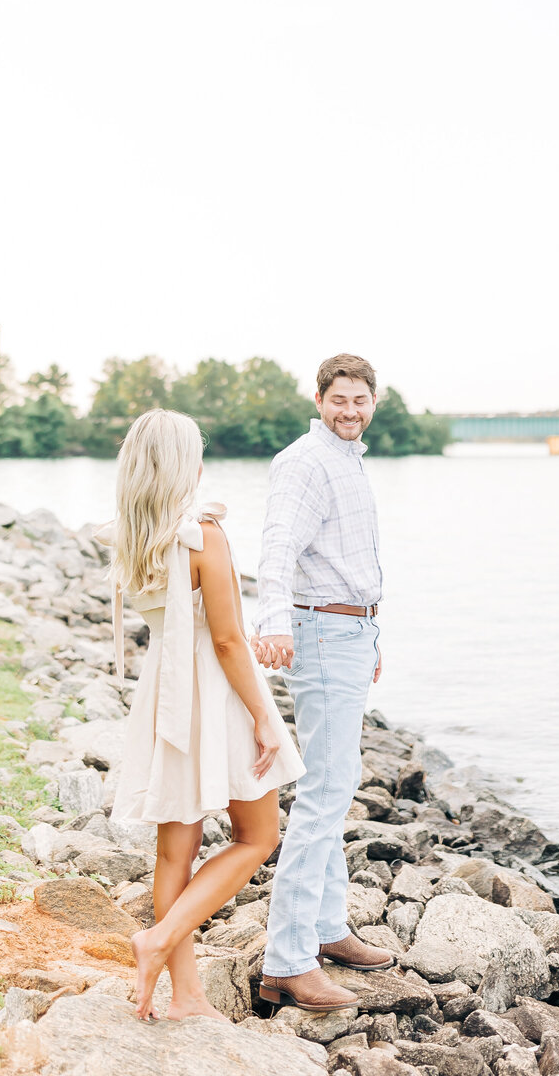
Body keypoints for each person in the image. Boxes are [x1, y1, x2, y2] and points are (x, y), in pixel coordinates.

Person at [107, 408, 305, 1020]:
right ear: (182, 465)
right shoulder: (203, 533)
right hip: (213, 693)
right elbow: (227, 639)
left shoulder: (131, 533)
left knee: (175, 849)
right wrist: (264, 716)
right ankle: (159, 940)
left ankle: (186, 994)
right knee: (259, 835)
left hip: (164, 692)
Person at [251, 353, 393, 1012]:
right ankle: (287, 960)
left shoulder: (348, 459)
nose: (349, 411)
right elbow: (277, 551)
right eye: (338, 400)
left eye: (360, 400)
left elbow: (350, 559)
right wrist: (273, 625)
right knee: (325, 792)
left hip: (349, 632)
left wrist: (371, 635)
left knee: (335, 782)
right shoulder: (304, 464)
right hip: (319, 634)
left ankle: (329, 927)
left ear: (374, 402)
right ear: (319, 398)